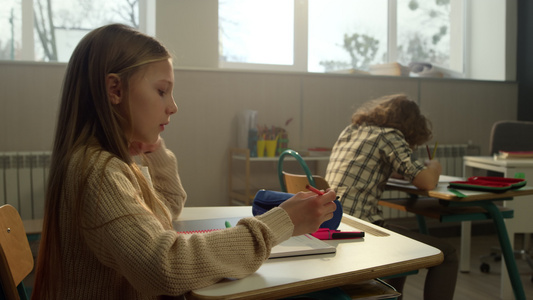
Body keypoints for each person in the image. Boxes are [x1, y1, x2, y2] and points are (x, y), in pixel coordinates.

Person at [31, 24, 337, 300]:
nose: (173, 107)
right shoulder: (98, 172)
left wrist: (155, 149)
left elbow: (166, 209)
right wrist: (280, 223)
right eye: (162, 91)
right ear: (115, 90)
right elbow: (166, 266)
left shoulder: (103, 163)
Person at [325, 94, 458, 300]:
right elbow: (427, 182)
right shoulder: (390, 135)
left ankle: (390, 296)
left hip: (333, 222)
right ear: (411, 126)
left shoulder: (352, 131)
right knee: (447, 253)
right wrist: (434, 166)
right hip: (361, 229)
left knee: (400, 242)